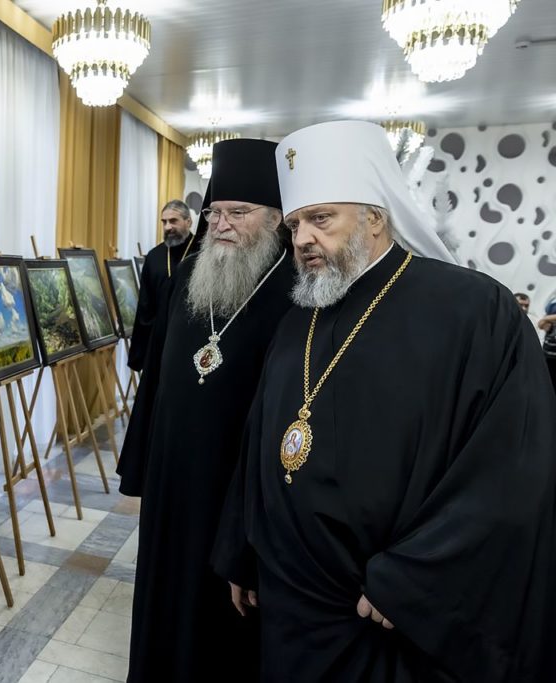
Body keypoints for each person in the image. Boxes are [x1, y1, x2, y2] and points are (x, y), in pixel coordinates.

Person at [214, 120, 556, 682]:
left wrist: (413, 579)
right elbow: (261, 441)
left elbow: (511, 470)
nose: (302, 239)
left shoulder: (474, 311)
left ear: (375, 217)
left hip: (384, 615)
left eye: (321, 219)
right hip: (290, 601)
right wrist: (241, 549)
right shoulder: (299, 318)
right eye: (296, 223)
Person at [124, 139, 296, 682]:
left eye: (238, 213)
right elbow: (155, 377)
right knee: (163, 597)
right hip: (172, 482)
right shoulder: (188, 278)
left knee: (220, 628)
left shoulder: (295, 294)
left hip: (233, 493)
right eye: (215, 212)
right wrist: (140, 463)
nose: (220, 225)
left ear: (276, 219)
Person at [127, 199, 201, 372]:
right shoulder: (154, 257)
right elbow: (145, 306)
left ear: (188, 222)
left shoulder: (201, 252)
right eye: (164, 222)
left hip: (192, 339)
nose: (168, 227)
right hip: (159, 341)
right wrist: (139, 354)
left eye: (173, 221)